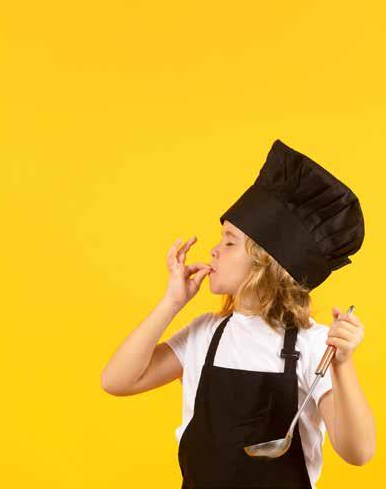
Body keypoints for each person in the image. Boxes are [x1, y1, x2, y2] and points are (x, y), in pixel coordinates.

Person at [100, 139, 375, 487]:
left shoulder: (313, 344)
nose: (214, 250)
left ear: (267, 262)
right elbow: (117, 381)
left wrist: (343, 365)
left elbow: (358, 451)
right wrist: (171, 302)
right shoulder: (204, 334)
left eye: (229, 242)